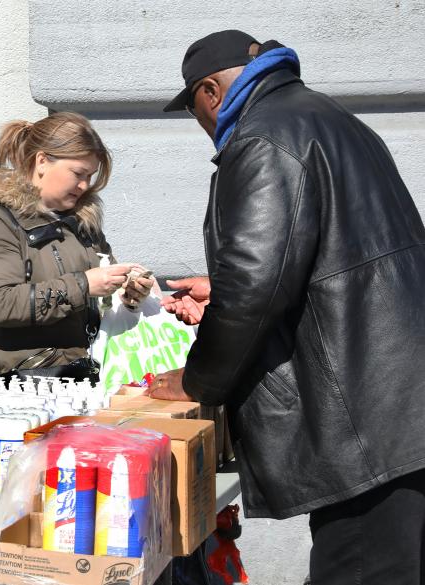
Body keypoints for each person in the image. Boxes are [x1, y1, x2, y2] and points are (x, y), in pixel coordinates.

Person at [150, 30, 425, 584]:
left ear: (210, 91)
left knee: (361, 567)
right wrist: (221, 285)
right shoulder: (331, 117)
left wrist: (198, 381)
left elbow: (255, 287)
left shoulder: (262, 137)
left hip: (368, 420)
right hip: (398, 406)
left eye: (195, 109)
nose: (202, 123)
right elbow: (332, 253)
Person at [0, 112, 155, 379]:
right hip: (31, 382)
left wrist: (127, 292)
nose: (85, 185)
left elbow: (103, 287)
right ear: (42, 161)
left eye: (90, 175)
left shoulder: (82, 220)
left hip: (93, 371)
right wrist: (84, 285)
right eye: (78, 173)